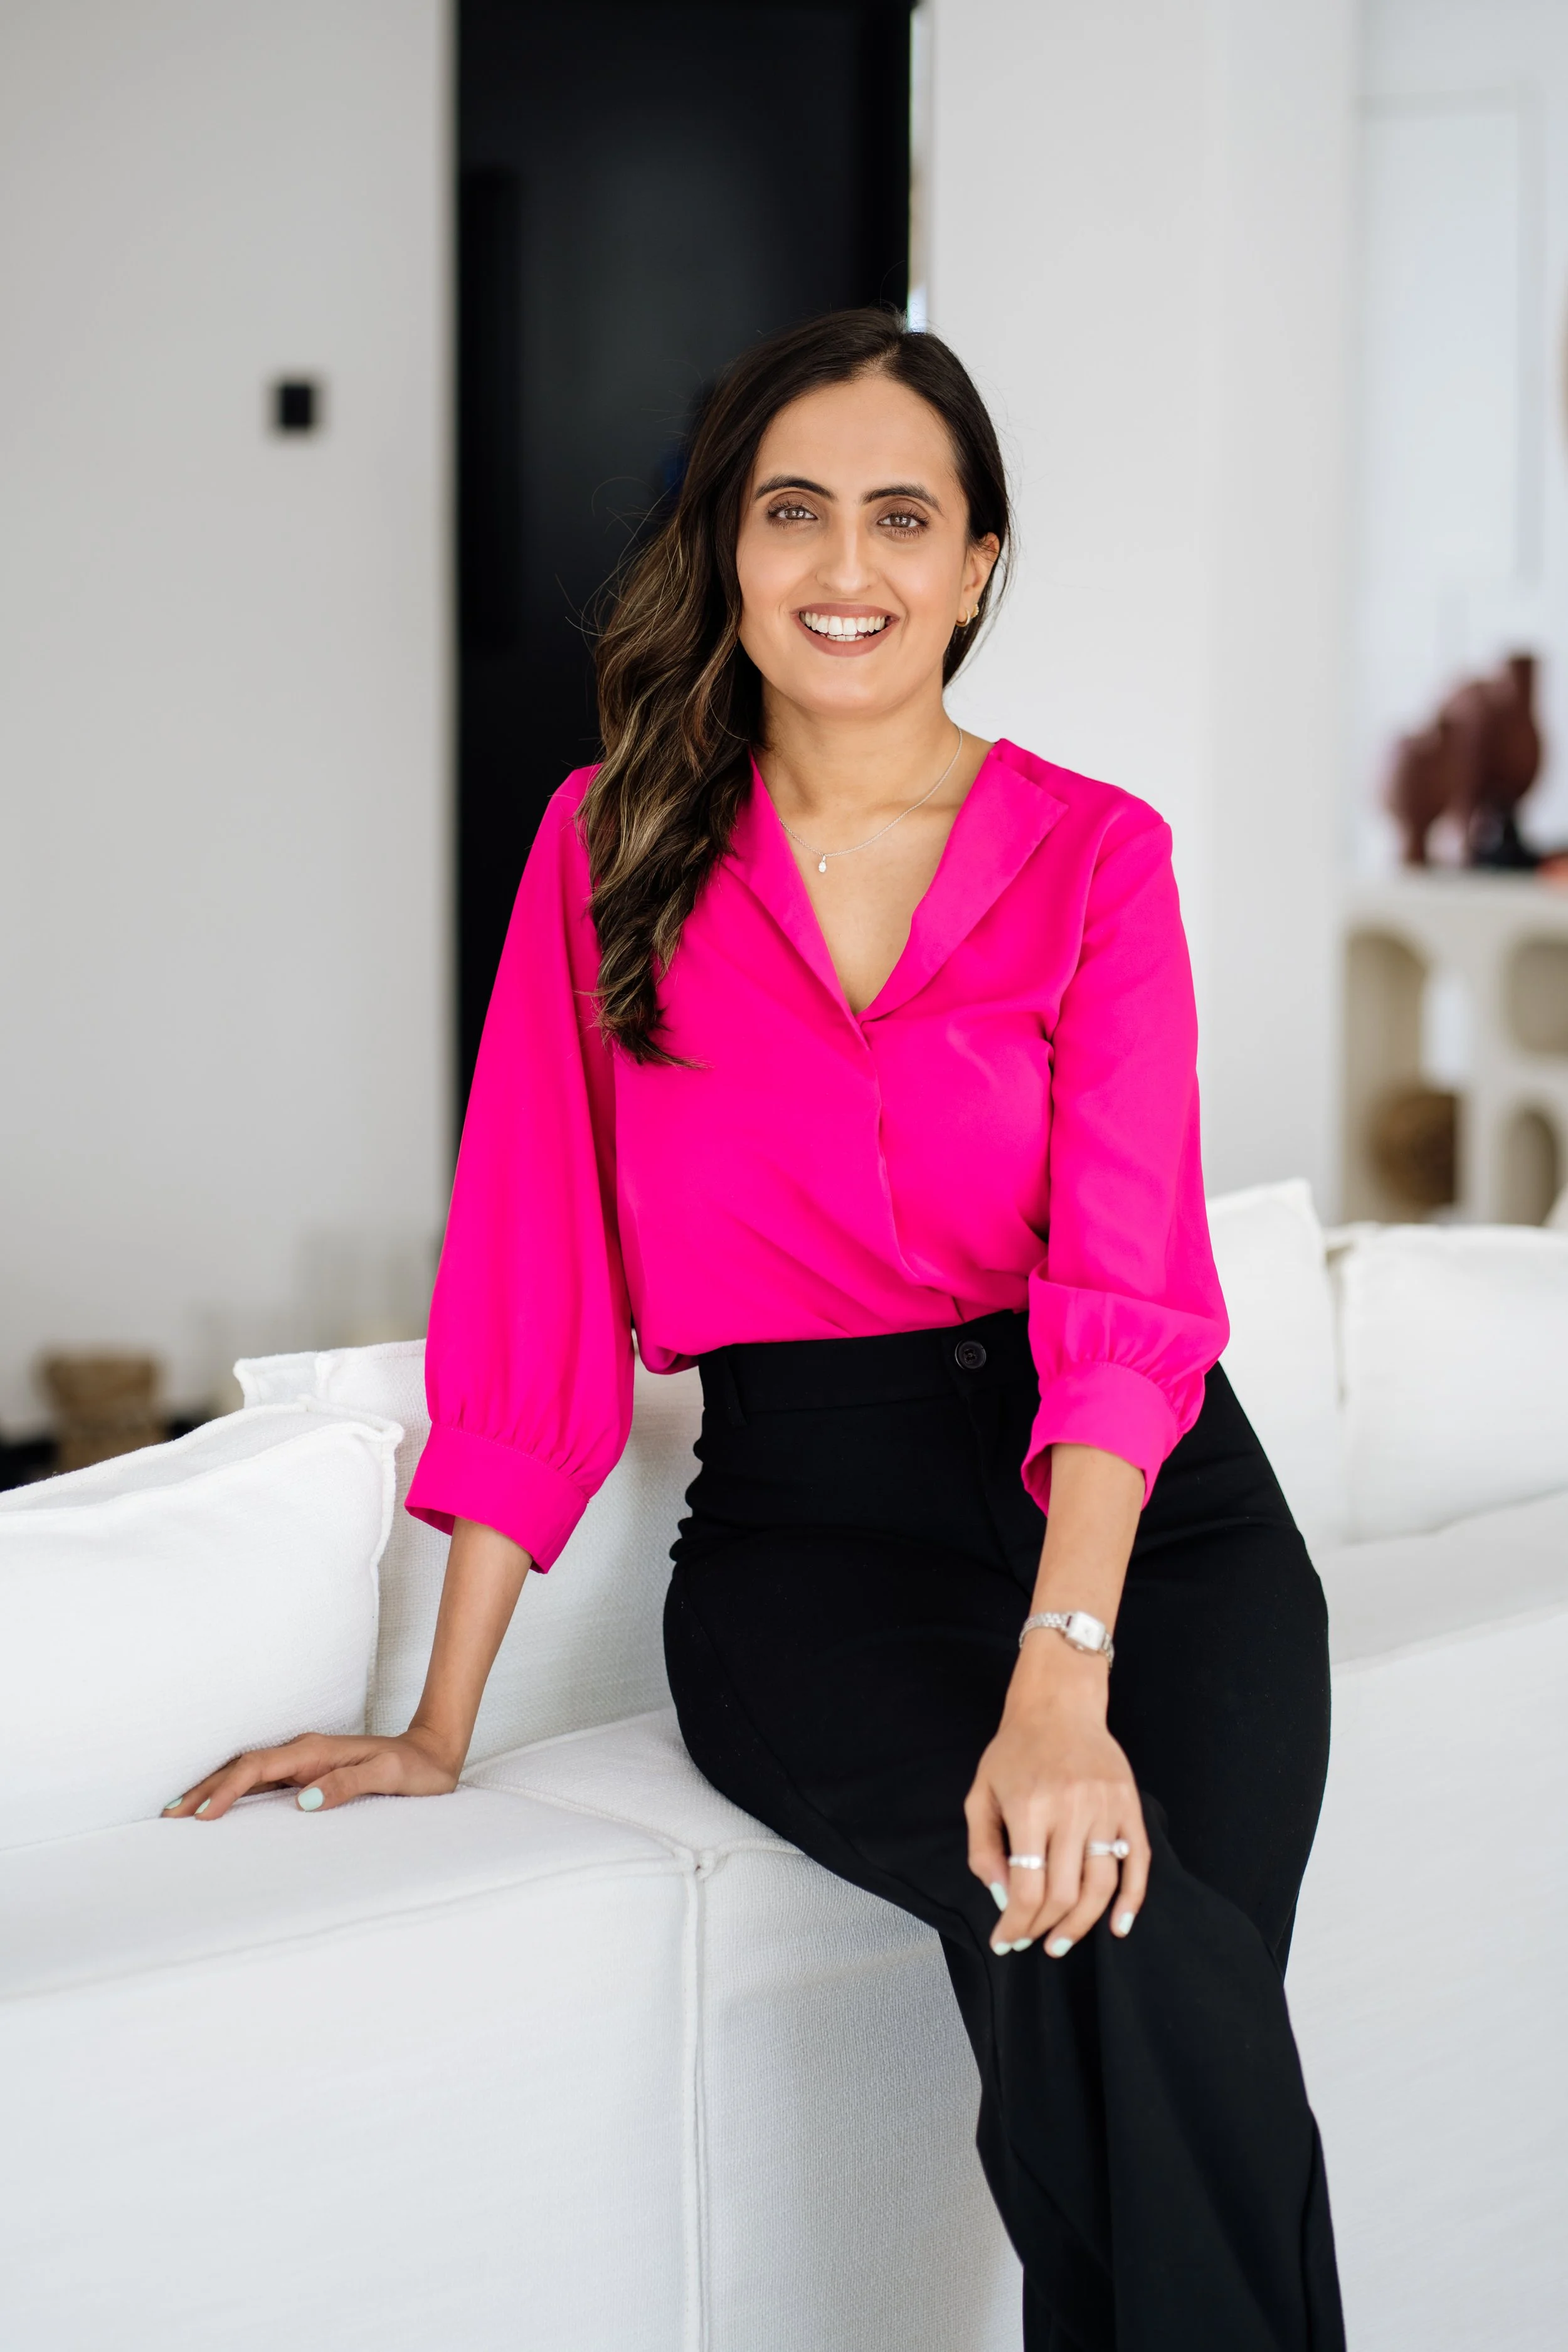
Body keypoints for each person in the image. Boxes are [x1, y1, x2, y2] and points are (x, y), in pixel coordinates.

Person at [169, 309, 1343, 2351]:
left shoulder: (1093, 855)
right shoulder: (607, 842)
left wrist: (1066, 1664)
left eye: (904, 516)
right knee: (1136, 1979)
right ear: (727, 548)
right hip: (821, 1548)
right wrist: (440, 1716)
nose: (846, 567)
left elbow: (1129, 1280)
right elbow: (529, 1274)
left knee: (1143, 2051)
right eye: (793, 512)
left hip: (1157, 1529)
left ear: (978, 563)